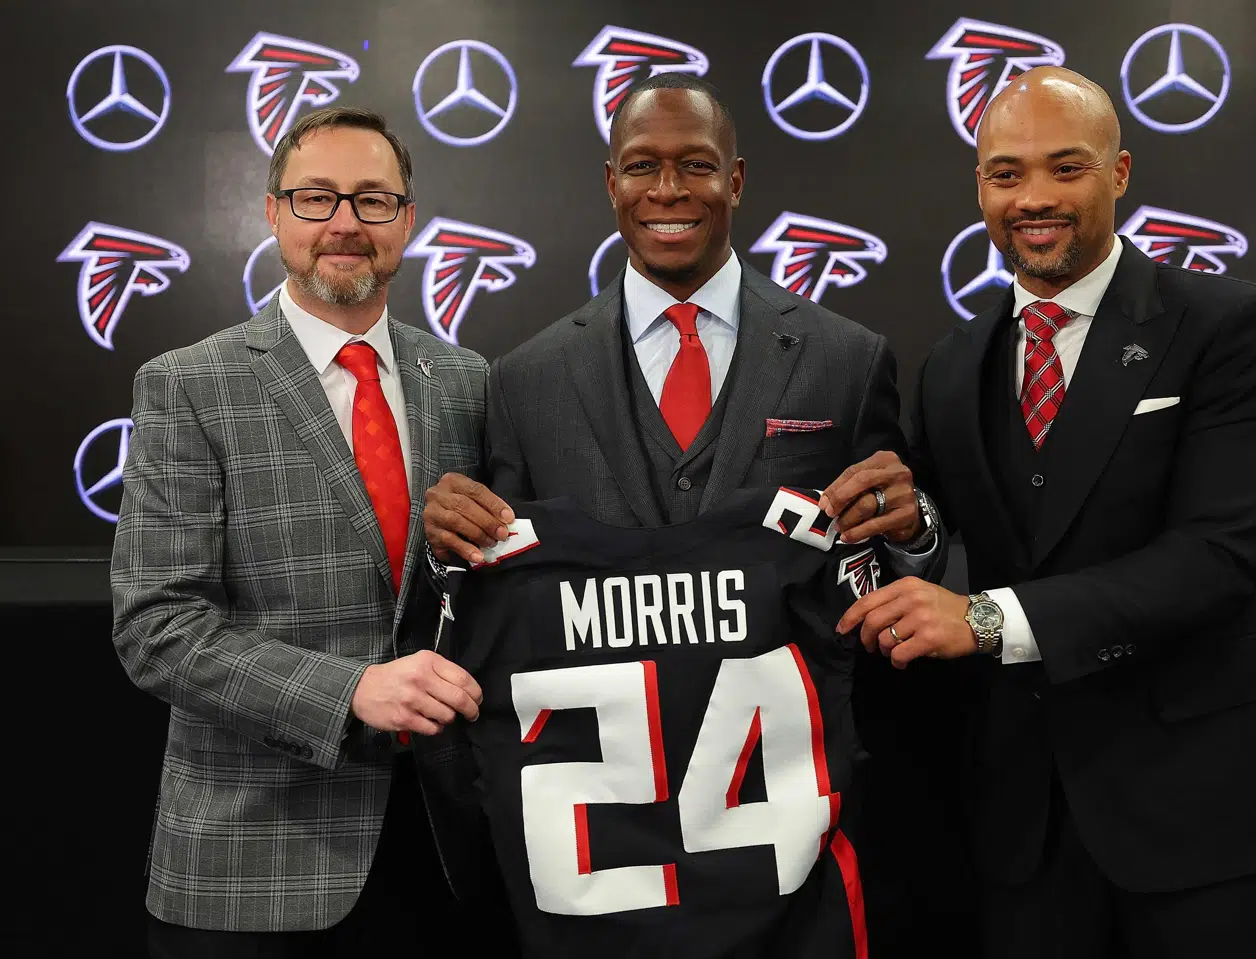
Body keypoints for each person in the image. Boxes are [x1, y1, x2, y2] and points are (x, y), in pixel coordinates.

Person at [418, 73, 945, 954]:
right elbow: (498, 592)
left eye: (696, 165)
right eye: (642, 166)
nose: (668, 190)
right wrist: (450, 548)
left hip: (785, 849)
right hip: (606, 861)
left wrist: (916, 525)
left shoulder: (846, 359)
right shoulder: (525, 380)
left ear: (735, 180)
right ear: (610, 182)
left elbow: (888, 563)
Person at [838, 67, 1256, 958]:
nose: (1034, 197)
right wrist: (913, 530)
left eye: (1066, 168)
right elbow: (958, 537)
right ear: (980, 188)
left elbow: (1216, 558)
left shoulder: (1231, 324)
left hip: (1204, 815)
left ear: (1120, 171)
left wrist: (986, 620)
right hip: (1021, 824)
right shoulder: (953, 364)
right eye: (1006, 174)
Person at [111, 107, 508, 957]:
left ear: (407, 219)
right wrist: (350, 691)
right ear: (272, 212)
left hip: (449, 858)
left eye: (373, 200)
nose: (344, 223)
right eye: (316, 197)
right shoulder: (188, 385)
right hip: (253, 868)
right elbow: (157, 628)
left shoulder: (468, 381)